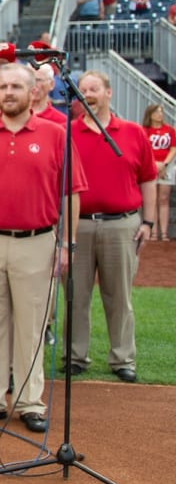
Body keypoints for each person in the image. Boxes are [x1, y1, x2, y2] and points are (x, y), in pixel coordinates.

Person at [0, 63, 86, 433]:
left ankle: (30, 402)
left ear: (34, 92)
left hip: (38, 240)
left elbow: (71, 193)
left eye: (16, 87)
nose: (7, 93)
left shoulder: (57, 134)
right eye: (3, 87)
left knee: (31, 326)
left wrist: (67, 244)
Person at [65, 72, 156, 381]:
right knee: (75, 295)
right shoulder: (68, 133)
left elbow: (148, 179)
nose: (87, 94)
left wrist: (148, 221)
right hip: (79, 225)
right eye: (83, 89)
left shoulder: (132, 132)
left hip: (122, 224)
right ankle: (75, 355)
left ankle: (122, 358)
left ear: (108, 93)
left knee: (119, 295)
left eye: (94, 89)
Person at [144, 104, 173, 241]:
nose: (159, 114)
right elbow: (144, 148)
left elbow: (173, 148)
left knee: (164, 198)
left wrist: (164, 164)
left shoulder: (170, 130)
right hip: (151, 167)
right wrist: (154, 164)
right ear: (150, 115)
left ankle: (164, 233)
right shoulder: (145, 130)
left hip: (166, 168)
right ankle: (153, 232)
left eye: (161, 111)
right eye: (156, 112)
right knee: (152, 199)